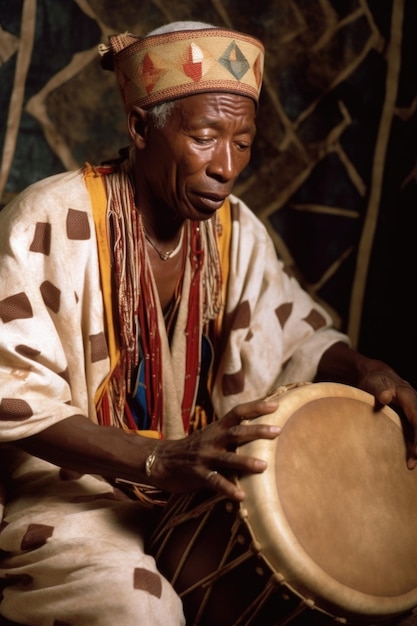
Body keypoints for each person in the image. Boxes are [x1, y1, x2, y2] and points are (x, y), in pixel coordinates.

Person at [0, 19, 416, 626]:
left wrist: (367, 369)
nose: (226, 165)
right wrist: (157, 459)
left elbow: (293, 334)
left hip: (204, 485)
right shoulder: (48, 219)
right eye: (204, 137)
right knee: (135, 605)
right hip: (75, 491)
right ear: (141, 128)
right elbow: (12, 396)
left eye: (243, 142)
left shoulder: (236, 229)